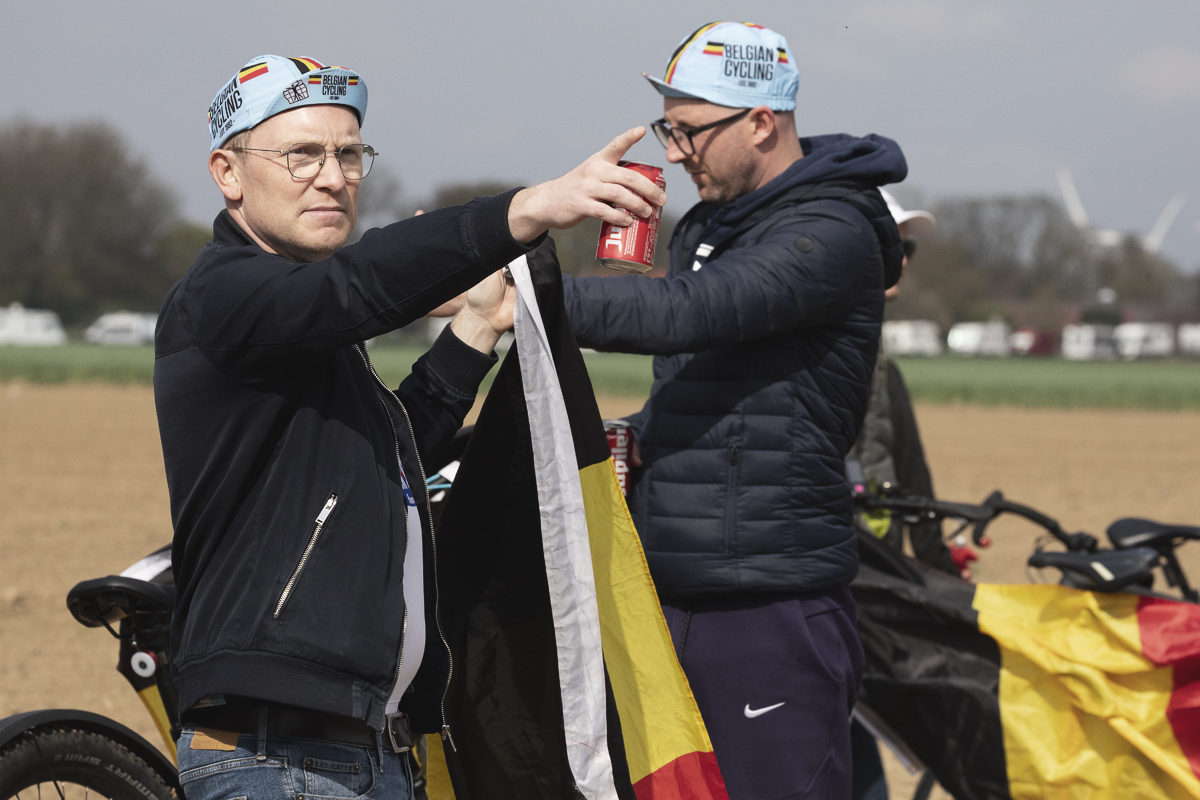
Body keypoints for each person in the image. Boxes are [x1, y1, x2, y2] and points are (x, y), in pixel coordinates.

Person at [155, 54, 665, 800]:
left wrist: (477, 329)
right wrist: (526, 209)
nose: (333, 176)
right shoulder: (225, 296)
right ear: (228, 173)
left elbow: (385, 468)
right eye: (301, 153)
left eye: (349, 153)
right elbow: (356, 286)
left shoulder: (311, 333)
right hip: (279, 759)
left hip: (373, 752)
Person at [561, 22, 906, 800]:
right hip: (673, 591)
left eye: (688, 133)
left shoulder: (831, 228)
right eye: (668, 130)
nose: (675, 153)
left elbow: (695, 313)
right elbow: (709, 381)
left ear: (760, 123)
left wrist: (521, 291)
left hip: (768, 606)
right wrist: (639, 440)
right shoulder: (715, 224)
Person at [846, 189, 967, 578]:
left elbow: (914, 477)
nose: (901, 259)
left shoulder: (885, 368)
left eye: (906, 248)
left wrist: (942, 570)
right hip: (838, 570)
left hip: (881, 563)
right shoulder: (821, 355)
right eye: (888, 244)